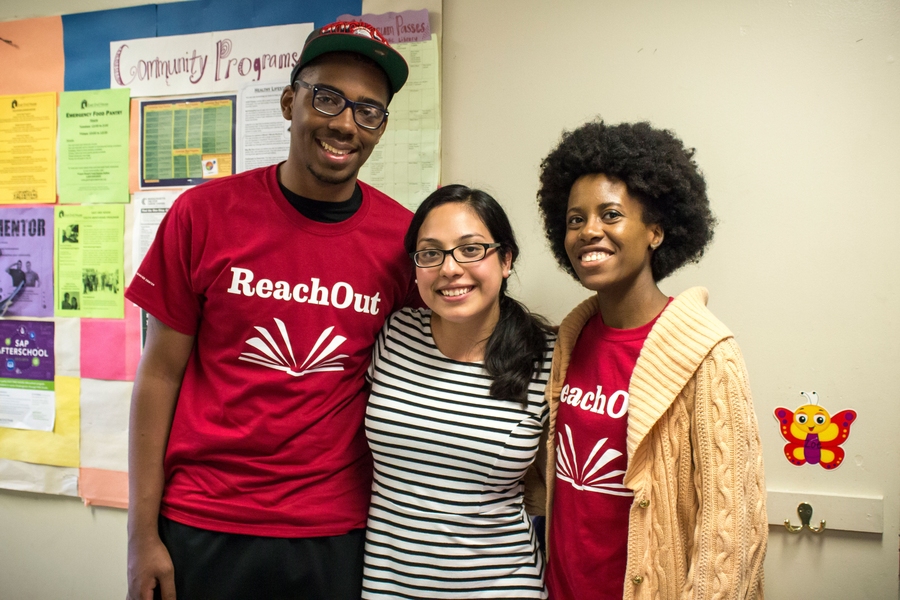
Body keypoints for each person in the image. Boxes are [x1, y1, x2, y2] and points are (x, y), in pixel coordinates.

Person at [125, 21, 416, 600]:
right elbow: (159, 374)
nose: (344, 124)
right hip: (202, 520)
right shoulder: (203, 215)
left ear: (380, 128)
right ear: (290, 102)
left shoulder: (401, 241)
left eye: (368, 111)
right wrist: (140, 534)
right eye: (327, 97)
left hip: (336, 531)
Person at [536, 120, 767, 600]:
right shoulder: (569, 341)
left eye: (611, 214)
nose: (587, 231)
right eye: (575, 219)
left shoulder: (707, 353)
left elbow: (733, 535)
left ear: (656, 231)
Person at [362, 185, 554, 599]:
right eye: (431, 253)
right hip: (387, 587)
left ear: (506, 260)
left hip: (503, 586)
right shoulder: (396, 334)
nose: (450, 268)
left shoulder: (548, 356)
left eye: (471, 250)